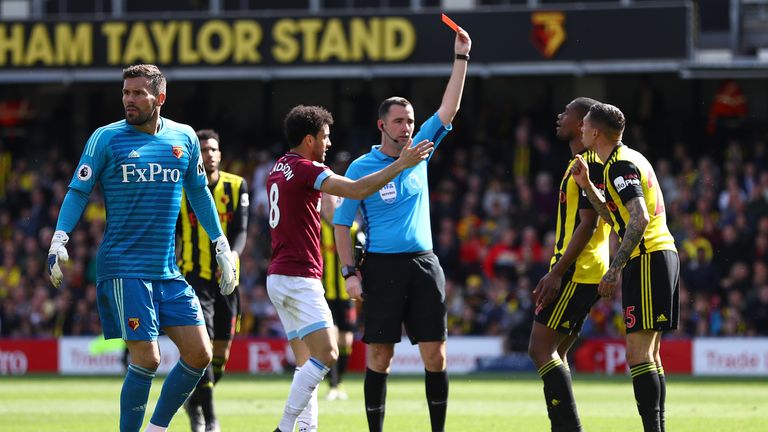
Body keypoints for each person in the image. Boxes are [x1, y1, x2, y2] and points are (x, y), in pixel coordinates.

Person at [46, 64, 236, 432]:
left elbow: (198, 191)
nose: (128, 100)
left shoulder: (184, 138)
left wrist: (220, 243)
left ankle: (156, 428)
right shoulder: (105, 138)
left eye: (137, 93)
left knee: (200, 354)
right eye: (125, 93)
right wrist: (60, 237)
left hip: (168, 270)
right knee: (147, 359)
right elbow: (78, 190)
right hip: (124, 267)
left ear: (159, 98)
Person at [333, 27, 472, 432]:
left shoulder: (421, 152)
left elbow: (448, 110)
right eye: (399, 121)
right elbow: (342, 225)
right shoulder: (361, 168)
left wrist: (461, 58)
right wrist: (349, 273)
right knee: (380, 358)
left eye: (410, 120)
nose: (407, 127)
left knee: (436, 357)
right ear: (382, 125)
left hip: (424, 265)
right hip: (380, 268)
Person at [267, 105, 433, 432]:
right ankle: (285, 428)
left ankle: (306, 429)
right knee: (327, 354)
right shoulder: (305, 168)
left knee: (307, 363)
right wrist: (401, 164)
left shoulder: (279, 166)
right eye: (325, 137)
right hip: (300, 276)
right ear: (309, 139)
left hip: (278, 275)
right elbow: (356, 190)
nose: (328, 144)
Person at [571, 103, 679, 432]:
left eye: (585, 124)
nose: (581, 130)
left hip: (647, 258)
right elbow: (617, 217)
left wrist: (614, 269)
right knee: (650, 354)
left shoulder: (619, 166)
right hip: (660, 255)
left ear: (595, 132)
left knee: (637, 355)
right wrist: (588, 186)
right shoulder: (628, 159)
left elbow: (639, 218)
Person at [527, 97, 609, 432]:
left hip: (578, 269)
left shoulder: (589, 163)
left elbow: (588, 222)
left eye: (567, 113)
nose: (559, 116)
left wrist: (557, 271)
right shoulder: (580, 161)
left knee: (539, 349)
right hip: (585, 268)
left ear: (581, 124)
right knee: (556, 351)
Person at [179, 129, 249, 432]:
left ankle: (193, 402)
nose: (208, 154)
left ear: (220, 154)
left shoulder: (236, 186)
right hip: (194, 279)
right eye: (203, 149)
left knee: (220, 355)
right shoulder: (182, 189)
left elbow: (242, 230)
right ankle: (209, 419)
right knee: (203, 349)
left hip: (228, 280)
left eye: (213, 149)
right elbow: (175, 233)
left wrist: (232, 256)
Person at [320, 192, 359, 401]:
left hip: (345, 294)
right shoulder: (315, 228)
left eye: (330, 202)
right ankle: (333, 384)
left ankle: (339, 381)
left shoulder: (351, 229)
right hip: (323, 294)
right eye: (324, 202)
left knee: (346, 341)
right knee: (332, 339)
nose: (327, 206)